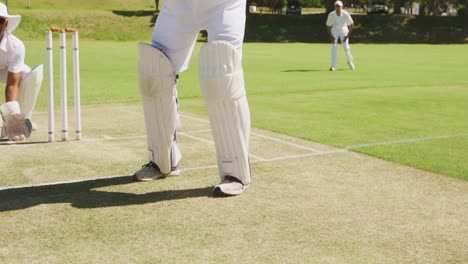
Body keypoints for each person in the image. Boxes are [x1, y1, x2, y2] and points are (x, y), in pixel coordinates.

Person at [133, 0, 251, 196]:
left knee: (222, 70)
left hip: (224, 3)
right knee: (154, 70)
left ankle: (236, 173)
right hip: (180, 4)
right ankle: (163, 160)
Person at [0, 3, 43, 141]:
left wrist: (12, 116)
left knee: (30, 74)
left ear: (5, 22)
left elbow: (12, 84)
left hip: (5, 70)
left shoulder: (16, 46)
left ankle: (22, 118)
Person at [326, 0, 355, 71]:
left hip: (344, 29)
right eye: (336, 6)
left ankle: (350, 62)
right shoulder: (331, 14)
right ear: (334, 7)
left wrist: (347, 36)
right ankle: (333, 66)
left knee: (346, 47)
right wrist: (331, 36)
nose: (337, 8)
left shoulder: (345, 14)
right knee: (334, 47)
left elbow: (351, 24)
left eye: (339, 6)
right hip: (335, 29)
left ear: (341, 7)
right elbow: (327, 26)